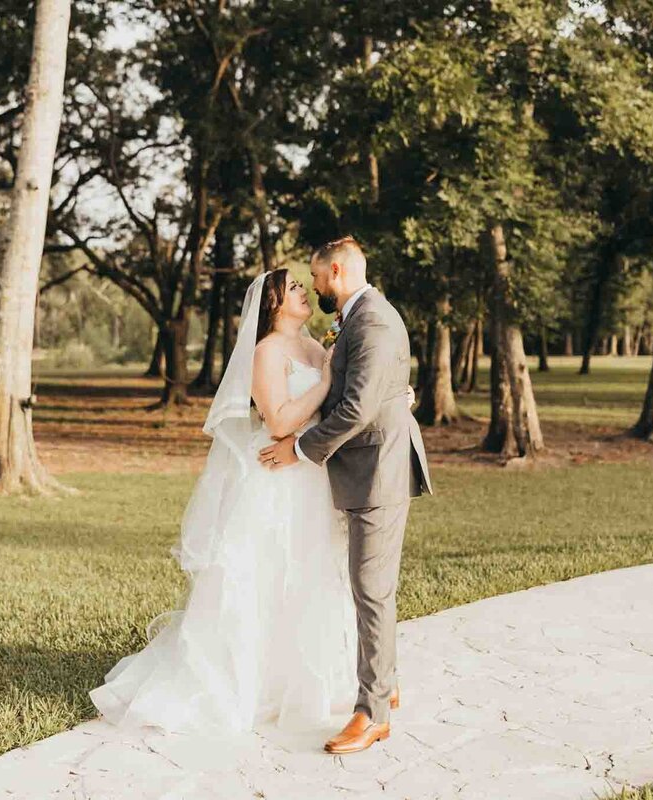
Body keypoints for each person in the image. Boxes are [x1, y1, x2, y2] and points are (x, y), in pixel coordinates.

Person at [89, 268, 358, 733]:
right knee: (267, 577)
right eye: (294, 288)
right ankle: (247, 683)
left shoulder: (315, 347)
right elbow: (278, 422)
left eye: (301, 285)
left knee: (314, 571)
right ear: (273, 305)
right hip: (276, 478)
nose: (304, 292)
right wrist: (325, 380)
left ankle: (310, 683)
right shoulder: (265, 353)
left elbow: (340, 403)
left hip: (312, 475)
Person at [260, 235, 432, 754]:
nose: (312, 286)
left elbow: (356, 410)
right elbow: (365, 389)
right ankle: (387, 684)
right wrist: (397, 397)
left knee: (370, 588)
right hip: (367, 466)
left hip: (377, 470)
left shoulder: (373, 320)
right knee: (370, 585)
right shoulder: (359, 318)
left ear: (335, 272)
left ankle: (372, 713)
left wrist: (301, 450)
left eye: (314, 277)